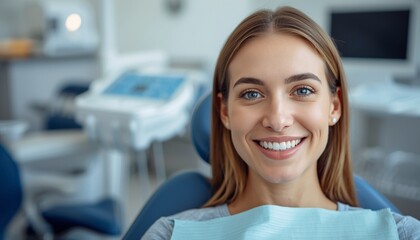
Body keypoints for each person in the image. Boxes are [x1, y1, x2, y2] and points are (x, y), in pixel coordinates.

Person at [142, 6, 420, 239]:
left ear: (334, 106)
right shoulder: (169, 235)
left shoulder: (401, 234)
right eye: (252, 94)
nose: (277, 119)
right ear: (224, 111)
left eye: (302, 90)